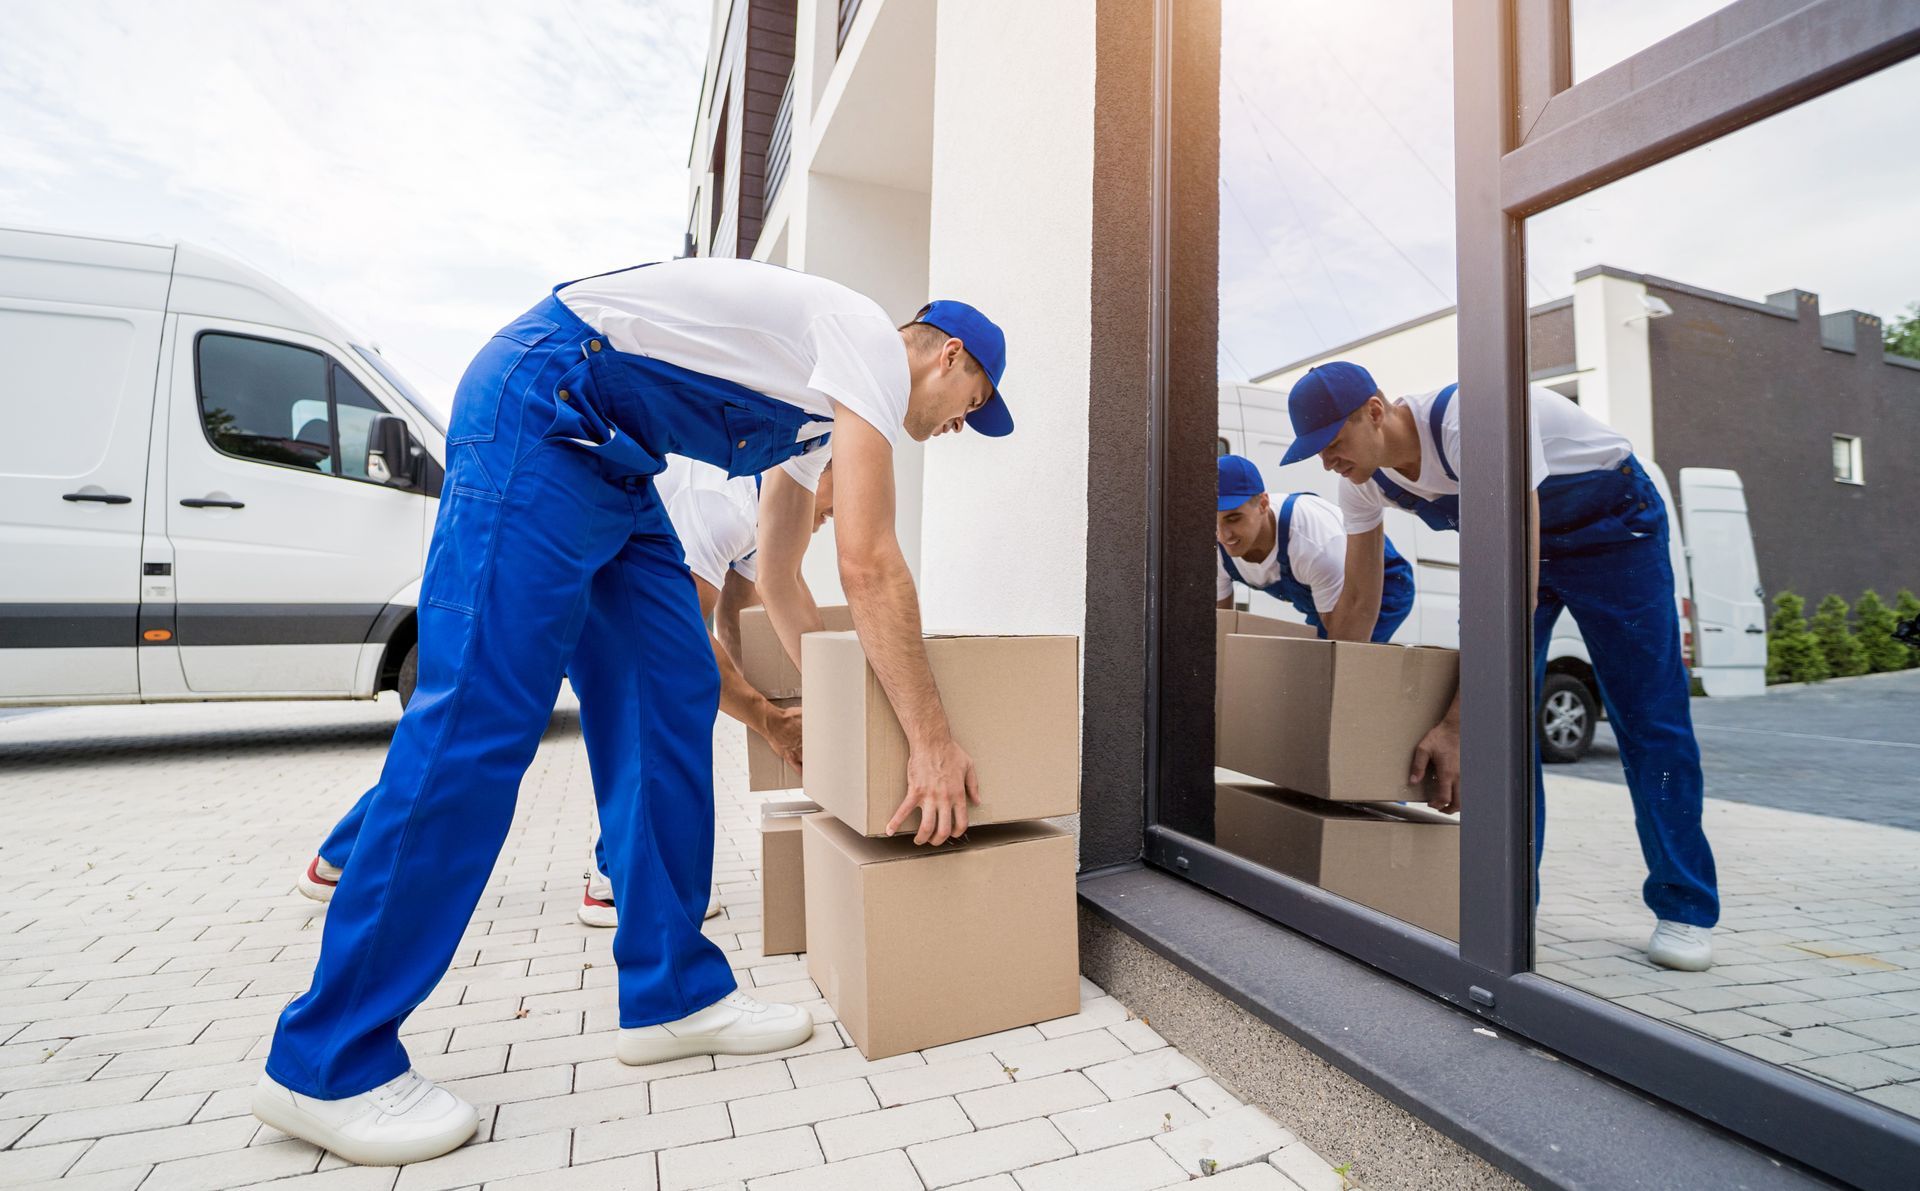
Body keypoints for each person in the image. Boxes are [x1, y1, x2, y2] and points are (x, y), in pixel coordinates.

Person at [252, 258, 1011, 1166]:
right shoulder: (867, 346)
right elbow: (870, 560)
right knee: (481, 719)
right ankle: (327, 1058)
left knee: (673, 682)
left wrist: (840, 712)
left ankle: (671, 991)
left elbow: (780, 576)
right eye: (979, 398)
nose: (968, 422)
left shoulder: (824, 415)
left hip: (616, 456)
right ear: (950, 355)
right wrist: (929, 742)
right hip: (545, 406)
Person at [1281, 360, 1717, 972]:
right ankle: (1514, 907)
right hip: (1517, 553)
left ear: (1375, 411)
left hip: (1614, 533)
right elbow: (1356, 602)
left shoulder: (1471, 419)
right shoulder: (1362, 479)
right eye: (1316, 453)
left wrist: (1460, 721)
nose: (1328, 462)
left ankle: (1685, 907)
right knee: (1499, 733)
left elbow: (1516, 581)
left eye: (1333, 443)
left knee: (1651, 719)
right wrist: (1329, 709)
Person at [296, 457, 834, 930]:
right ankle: (352, 857)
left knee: (660, 709)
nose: (835, 517)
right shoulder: (721, 503)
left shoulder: (759, 518)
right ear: (813, 471)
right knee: (486, 737)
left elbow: (736, 621)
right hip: (551, 572)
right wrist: (766, 720)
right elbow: (684, 637)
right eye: (840, 490)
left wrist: (790, 711)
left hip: (599, 581)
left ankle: (612, 879)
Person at [1214, 453, 1414, 642]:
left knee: (1344, 665)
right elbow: (1217, 628)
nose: (1223, 535)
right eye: (1214, 521)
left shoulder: (1314, 543)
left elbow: (1342, 642)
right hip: (1320, 587)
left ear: (1263, 504)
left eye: (1234, 519)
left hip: (1382, 584)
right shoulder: (1213, 550)